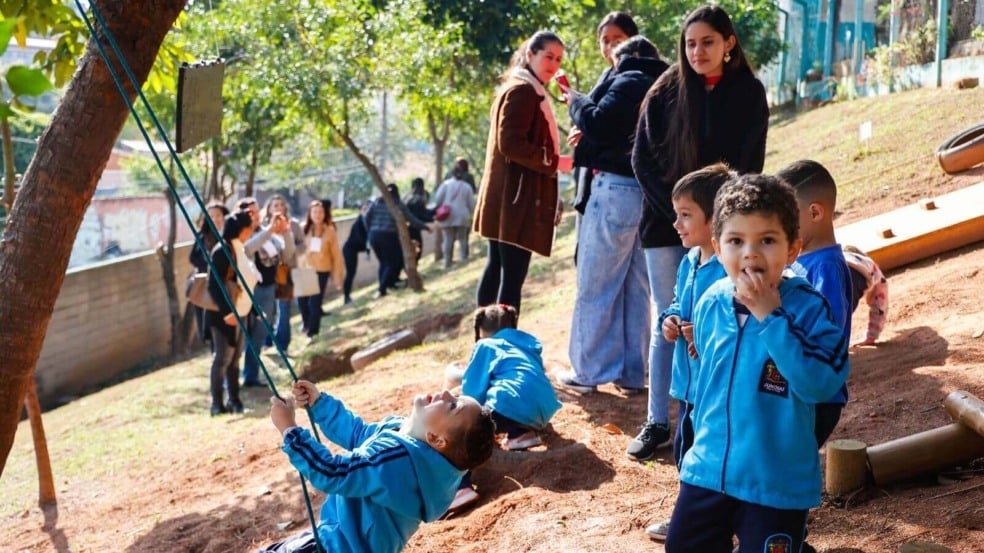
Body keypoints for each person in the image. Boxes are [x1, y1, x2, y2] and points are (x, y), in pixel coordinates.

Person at [664, 174, 849, 553]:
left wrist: (771, 317)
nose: (749, 254)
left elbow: (821, 383)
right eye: (736, 241)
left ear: (792, 249)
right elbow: (706, 384)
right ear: (717, 246)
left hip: (774, 482)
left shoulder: (810, 308)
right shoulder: (711, 303)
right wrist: (697, 449)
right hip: (708, 471)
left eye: (766, 240)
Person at [628, 4, 769, 463]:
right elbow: (641, 160)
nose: (698, 51)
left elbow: (751, 164)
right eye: (690, 43)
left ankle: (711, 416)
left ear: (728, 43)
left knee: (723, 317)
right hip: (666, 223)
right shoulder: (666, 89)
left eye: (708, 42)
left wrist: (725, 223)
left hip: (727, 230)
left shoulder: (748, 92)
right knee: (667, 319)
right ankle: (657, 421)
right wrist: (680, 214)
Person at [554, 32, 670, 395]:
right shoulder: (667, 85)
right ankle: (633, 373)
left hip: (613, 191)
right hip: (646, 194)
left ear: (628, 56)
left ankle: (588, 371)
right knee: (636, 286)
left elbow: (602, 121)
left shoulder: (630, 78)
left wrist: (575, 101)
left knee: (596, 283)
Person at [261, 381, 497, 553]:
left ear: (436, 439)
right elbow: (358, 433)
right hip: (334, 539)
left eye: (453, 406)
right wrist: (319, 404)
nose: (446, 393)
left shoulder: (398, 461)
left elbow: (332, 472)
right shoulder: (406, 439)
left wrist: (289, 430)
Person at [645, 164, 732, 541]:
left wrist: (706, 331)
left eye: (685, 216)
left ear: (714, 219)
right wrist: (670, 320)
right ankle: (689, 516)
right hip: (689, 387)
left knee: (713, 456)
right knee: (686, 454)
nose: (676, 224)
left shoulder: (728, 268)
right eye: (676, 214)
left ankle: (712, 521)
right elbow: (677, 303)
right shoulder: (689, 263)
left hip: (719, 389)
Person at [473, 31, 565, 314]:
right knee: (510, 277)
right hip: (515, 200)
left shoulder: (521, 87)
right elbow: (511, 143)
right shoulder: (523, 90)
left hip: (509, 197)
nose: (553, 64)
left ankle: (487, 342)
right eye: (548, 56)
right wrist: (554, 161)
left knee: (500, 268)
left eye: (558, 59)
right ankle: (501, 345)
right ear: (530, 55)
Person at [443, 303, 562, 512]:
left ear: (482, 332)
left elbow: (473, 393)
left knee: (462, 432)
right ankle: (522, 434)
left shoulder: (486, 345)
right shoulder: (526, 345)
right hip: (544, 406)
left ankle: (460, 487)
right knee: (511, 398)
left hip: (509, 402)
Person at [777, 159, 853, 448]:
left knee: (789, 467)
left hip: (817, 398)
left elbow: (824, 334)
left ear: (815, 212)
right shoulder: (799, 261)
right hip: (796, 390)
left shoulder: (826, 268)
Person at [567, 11, 638, 217]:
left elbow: (608, 124)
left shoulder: (631, 77)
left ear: (632, 40)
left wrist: (579, 107)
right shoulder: (606, 75)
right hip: (594, 178)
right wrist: (582, 127)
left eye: (618, 40)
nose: (611, 47)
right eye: (605, 41)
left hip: (620, 181)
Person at [204, 210, 256, 416]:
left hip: (240, 311)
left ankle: (235, 400)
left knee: (234, 360)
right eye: (250, 227)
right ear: (242, 230)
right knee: (222, 358)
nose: (252, 231)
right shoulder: (222, 250)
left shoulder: (238, 248)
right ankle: (217, 403)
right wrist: (228, 313)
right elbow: (213, 286)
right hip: (222, 315)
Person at [241, 195, 296, 388]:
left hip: (270, 288)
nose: (255, 215)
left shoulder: (267, 233)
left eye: (257, 211)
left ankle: (251, 374)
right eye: (251, 211)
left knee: (260, 332)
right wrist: (270, 231)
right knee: (251, 334)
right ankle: (248, 375)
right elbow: (248, 249)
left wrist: (286, 232)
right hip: (252, 291)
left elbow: (287, 255)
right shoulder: (243, 234)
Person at [366, 183, 432, 298]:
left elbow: (367, 217)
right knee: (393, 262)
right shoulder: (396, 203)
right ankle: (382, 289)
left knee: (384, 262)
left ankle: (387, 285)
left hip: (374, 235)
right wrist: (425, 227)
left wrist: (371, 229)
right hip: (389, 235)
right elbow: (411, 218)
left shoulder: (376, 202)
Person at [297, 200, 344, 339]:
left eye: (321, 212)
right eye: (315, 212)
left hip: (321, 270)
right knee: (302, 302)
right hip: (304, 269)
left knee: (314, 303)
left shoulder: (330, 231)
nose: (318, 215)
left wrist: (337, 277)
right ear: (310, 214)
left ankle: (313, 333)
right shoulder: (303, 228)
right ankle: (307, 324)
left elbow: (336, 255)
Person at [264, 195, 304, 350]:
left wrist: (291, 250)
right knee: (267, 308)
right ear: (269, 208)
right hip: (268, 272)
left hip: (287, 271)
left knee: (284, 307)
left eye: (281, 205)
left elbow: (302, 244)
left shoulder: (293, 225)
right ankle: (266, 340)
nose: (279, 208)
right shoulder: (264, 226)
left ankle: (282, 343)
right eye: (275, 205)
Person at [189, 201, 229, 344]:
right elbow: (193, 258)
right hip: (208, 284)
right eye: (211, 216)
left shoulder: (229, 235)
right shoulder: (203, 236)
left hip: (227, 284)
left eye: (218, 215)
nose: (215, 219)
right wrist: (209, 265)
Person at [842, 244, 889, 347]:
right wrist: (871, 336)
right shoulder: (871, 266)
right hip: (855, 276)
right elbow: (880, 306)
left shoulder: (838, 255)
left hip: (830, 269)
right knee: (838, 317)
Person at [433, 166, 476, 269]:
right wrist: (471, 213)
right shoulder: (467, 186)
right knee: (462, 238)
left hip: (448, 215)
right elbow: (472, 204)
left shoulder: (446, 185)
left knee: (448, 238)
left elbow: (437, 199)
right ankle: (463, 259)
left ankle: (447, 261)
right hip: (462, 215)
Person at [342, 201, 370, 305]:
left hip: (355, 249)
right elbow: (360, 239)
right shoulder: (359, 222)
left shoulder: (367, 222)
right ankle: (346, 297)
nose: (366, 211)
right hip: (349, 249)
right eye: (364, 209)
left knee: (352, 273)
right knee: (350, 273)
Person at [404, 178, 434, 262]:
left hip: (406, 226)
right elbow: (421, 214)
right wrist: (433, 216)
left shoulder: (407, 196)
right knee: (417, 248)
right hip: (414, 226)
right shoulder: (421, 197)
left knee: (409, 249)